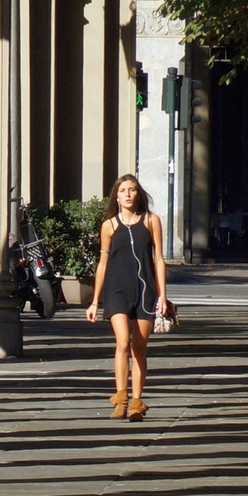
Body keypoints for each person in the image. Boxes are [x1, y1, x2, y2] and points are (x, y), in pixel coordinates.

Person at [86, 174, 168, 421]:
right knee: (122, 342)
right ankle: (120, 399)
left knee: (138, 348)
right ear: (117, 196)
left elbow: (159, 259)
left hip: (145, 291)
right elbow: (102, 264)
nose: (128, 194)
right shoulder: (109, 226)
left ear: (138, 194)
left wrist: (163, 296)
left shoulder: (151, 221)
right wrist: (94, 300)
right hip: (116, 291)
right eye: (123, 190)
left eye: (132, 190)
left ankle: (136, 402)